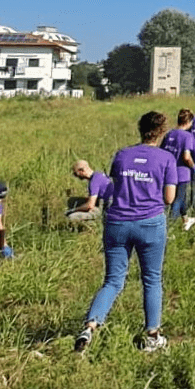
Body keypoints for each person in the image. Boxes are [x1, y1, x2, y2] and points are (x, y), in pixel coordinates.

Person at [76, 112, 178, 354]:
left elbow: (117, 186)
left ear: (140, 129)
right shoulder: (166, 158)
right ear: (162, 131)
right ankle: (152, 334)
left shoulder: (122, 154)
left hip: (117, 223)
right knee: (151, 279)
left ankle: (89, 327)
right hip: (149, 223)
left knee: (112, 280)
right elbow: (169, 198)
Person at [163, 109, 195, 230]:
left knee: (182, 197)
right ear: (188, 122)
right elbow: (186, 157)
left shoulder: (169, 134)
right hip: (181, 173)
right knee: (177, 200)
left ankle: (186, 219)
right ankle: (170, 228)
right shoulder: (187, 136)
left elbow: (162, 151)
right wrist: (194, 166)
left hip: (168, 172)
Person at [66, 159, 110, 224]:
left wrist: (74, 210)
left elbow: (90, 205)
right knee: (72, 201)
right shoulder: (99, 174)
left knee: (71, 217)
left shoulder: (94, 182)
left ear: (81, 171)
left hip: (105, 207)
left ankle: (97, 223)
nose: (76, 176)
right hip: (103, 202)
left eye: (76, 173)